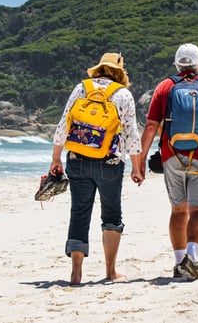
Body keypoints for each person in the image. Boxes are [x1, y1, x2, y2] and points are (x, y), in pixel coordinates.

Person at [139, 43, 198, 280]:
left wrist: (140, 161)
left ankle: (178, 262)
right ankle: (192, 258)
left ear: (177, 65)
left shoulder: (165, 87)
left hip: (172, 157)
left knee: (178, 211)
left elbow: (151, 126)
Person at [49, 52, 144, 285]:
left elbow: (64, 123)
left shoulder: (81, 88)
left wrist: (56, 159)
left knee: (79, 213)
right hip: (110, 163)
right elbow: (131, 133)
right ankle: (110, 271)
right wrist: (136, 167)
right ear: (120, 71)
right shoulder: (123, 94)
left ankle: (76, 273)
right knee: (111, 215)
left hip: (77, 159)